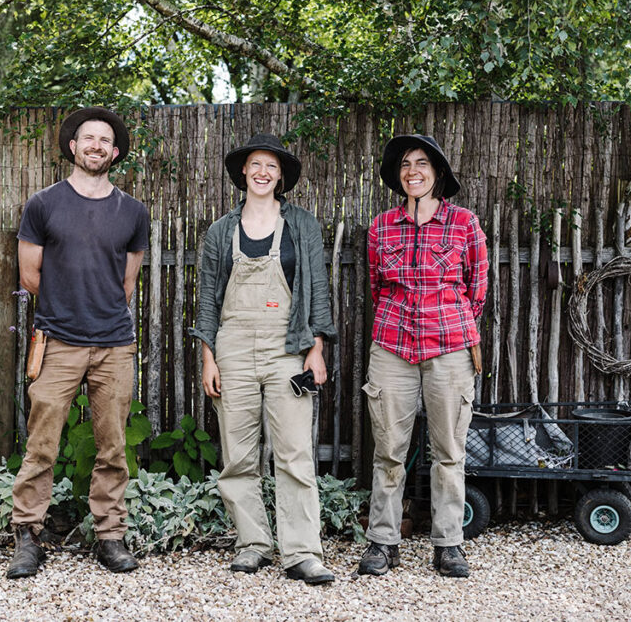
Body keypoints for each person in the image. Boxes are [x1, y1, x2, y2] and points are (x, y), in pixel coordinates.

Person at [7, 107, 150, 578]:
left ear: (115, 152)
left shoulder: (133, 212)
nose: (96, 146)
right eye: (88, 138)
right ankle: (28, 536)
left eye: (105, 140)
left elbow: (126, 284)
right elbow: (31, 277)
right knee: (42, 443)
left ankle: (110, 536)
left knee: (112, 446)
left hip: (114, 345)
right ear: (73, 147)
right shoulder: (44, 204)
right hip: (58, 341)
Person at [191, 133, 337, 585]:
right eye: (255, 164)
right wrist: (208, 357)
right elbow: (208, 301)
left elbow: (316, 289)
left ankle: (301, 552)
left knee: (294, 453)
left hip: (287, 347)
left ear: (281, 177)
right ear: (243, 173)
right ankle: (252, 543)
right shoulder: (220, 231)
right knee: (238, 455)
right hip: (232, 347)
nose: (262, 172)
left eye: (271, 167)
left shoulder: (302, 226)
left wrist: (317, 348)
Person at [359, 134, 488, 579]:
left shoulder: (465, 224)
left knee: (448, 451)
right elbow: (377, 288)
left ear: (438, 173)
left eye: (421, 164)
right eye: (405, 165)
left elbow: (477, 290)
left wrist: (450, 323)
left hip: (450, 348)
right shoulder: (381, 227)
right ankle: (382, 542)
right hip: (392, 347)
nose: (412, 171)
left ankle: (449, 544)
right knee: (389, 451)